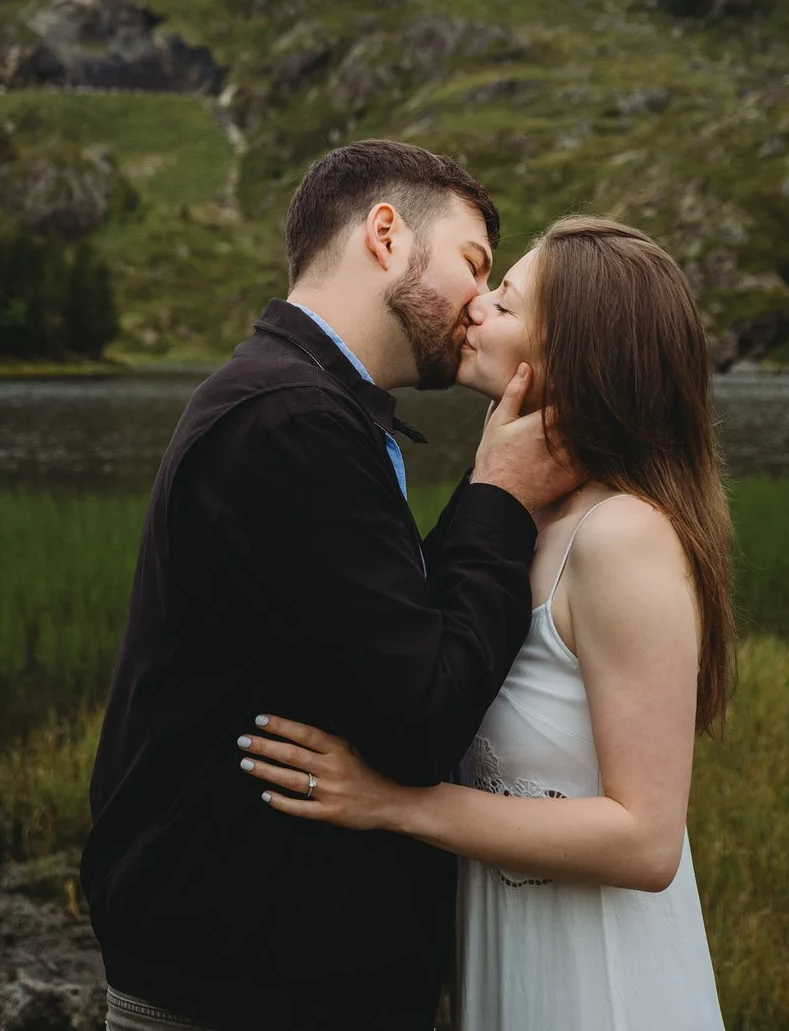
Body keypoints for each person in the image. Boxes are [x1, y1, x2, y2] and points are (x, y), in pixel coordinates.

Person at [83, 140, 582, 1030]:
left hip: (260, 971)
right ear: (386, 234)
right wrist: (501, 498)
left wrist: (491, 497)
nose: (481, 300)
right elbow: (423, 715)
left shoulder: (308, 406)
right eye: (473, 263)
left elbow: (387, 643)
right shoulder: (292, 421)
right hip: (241, 991)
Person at [235, 216, 735, 1030]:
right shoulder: (521, 517)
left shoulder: (622, 535)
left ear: (576, 352)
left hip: (598, 983)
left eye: (505, 302)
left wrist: (394, 803)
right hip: (507, 955)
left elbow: (647, 841)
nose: (474, 306)